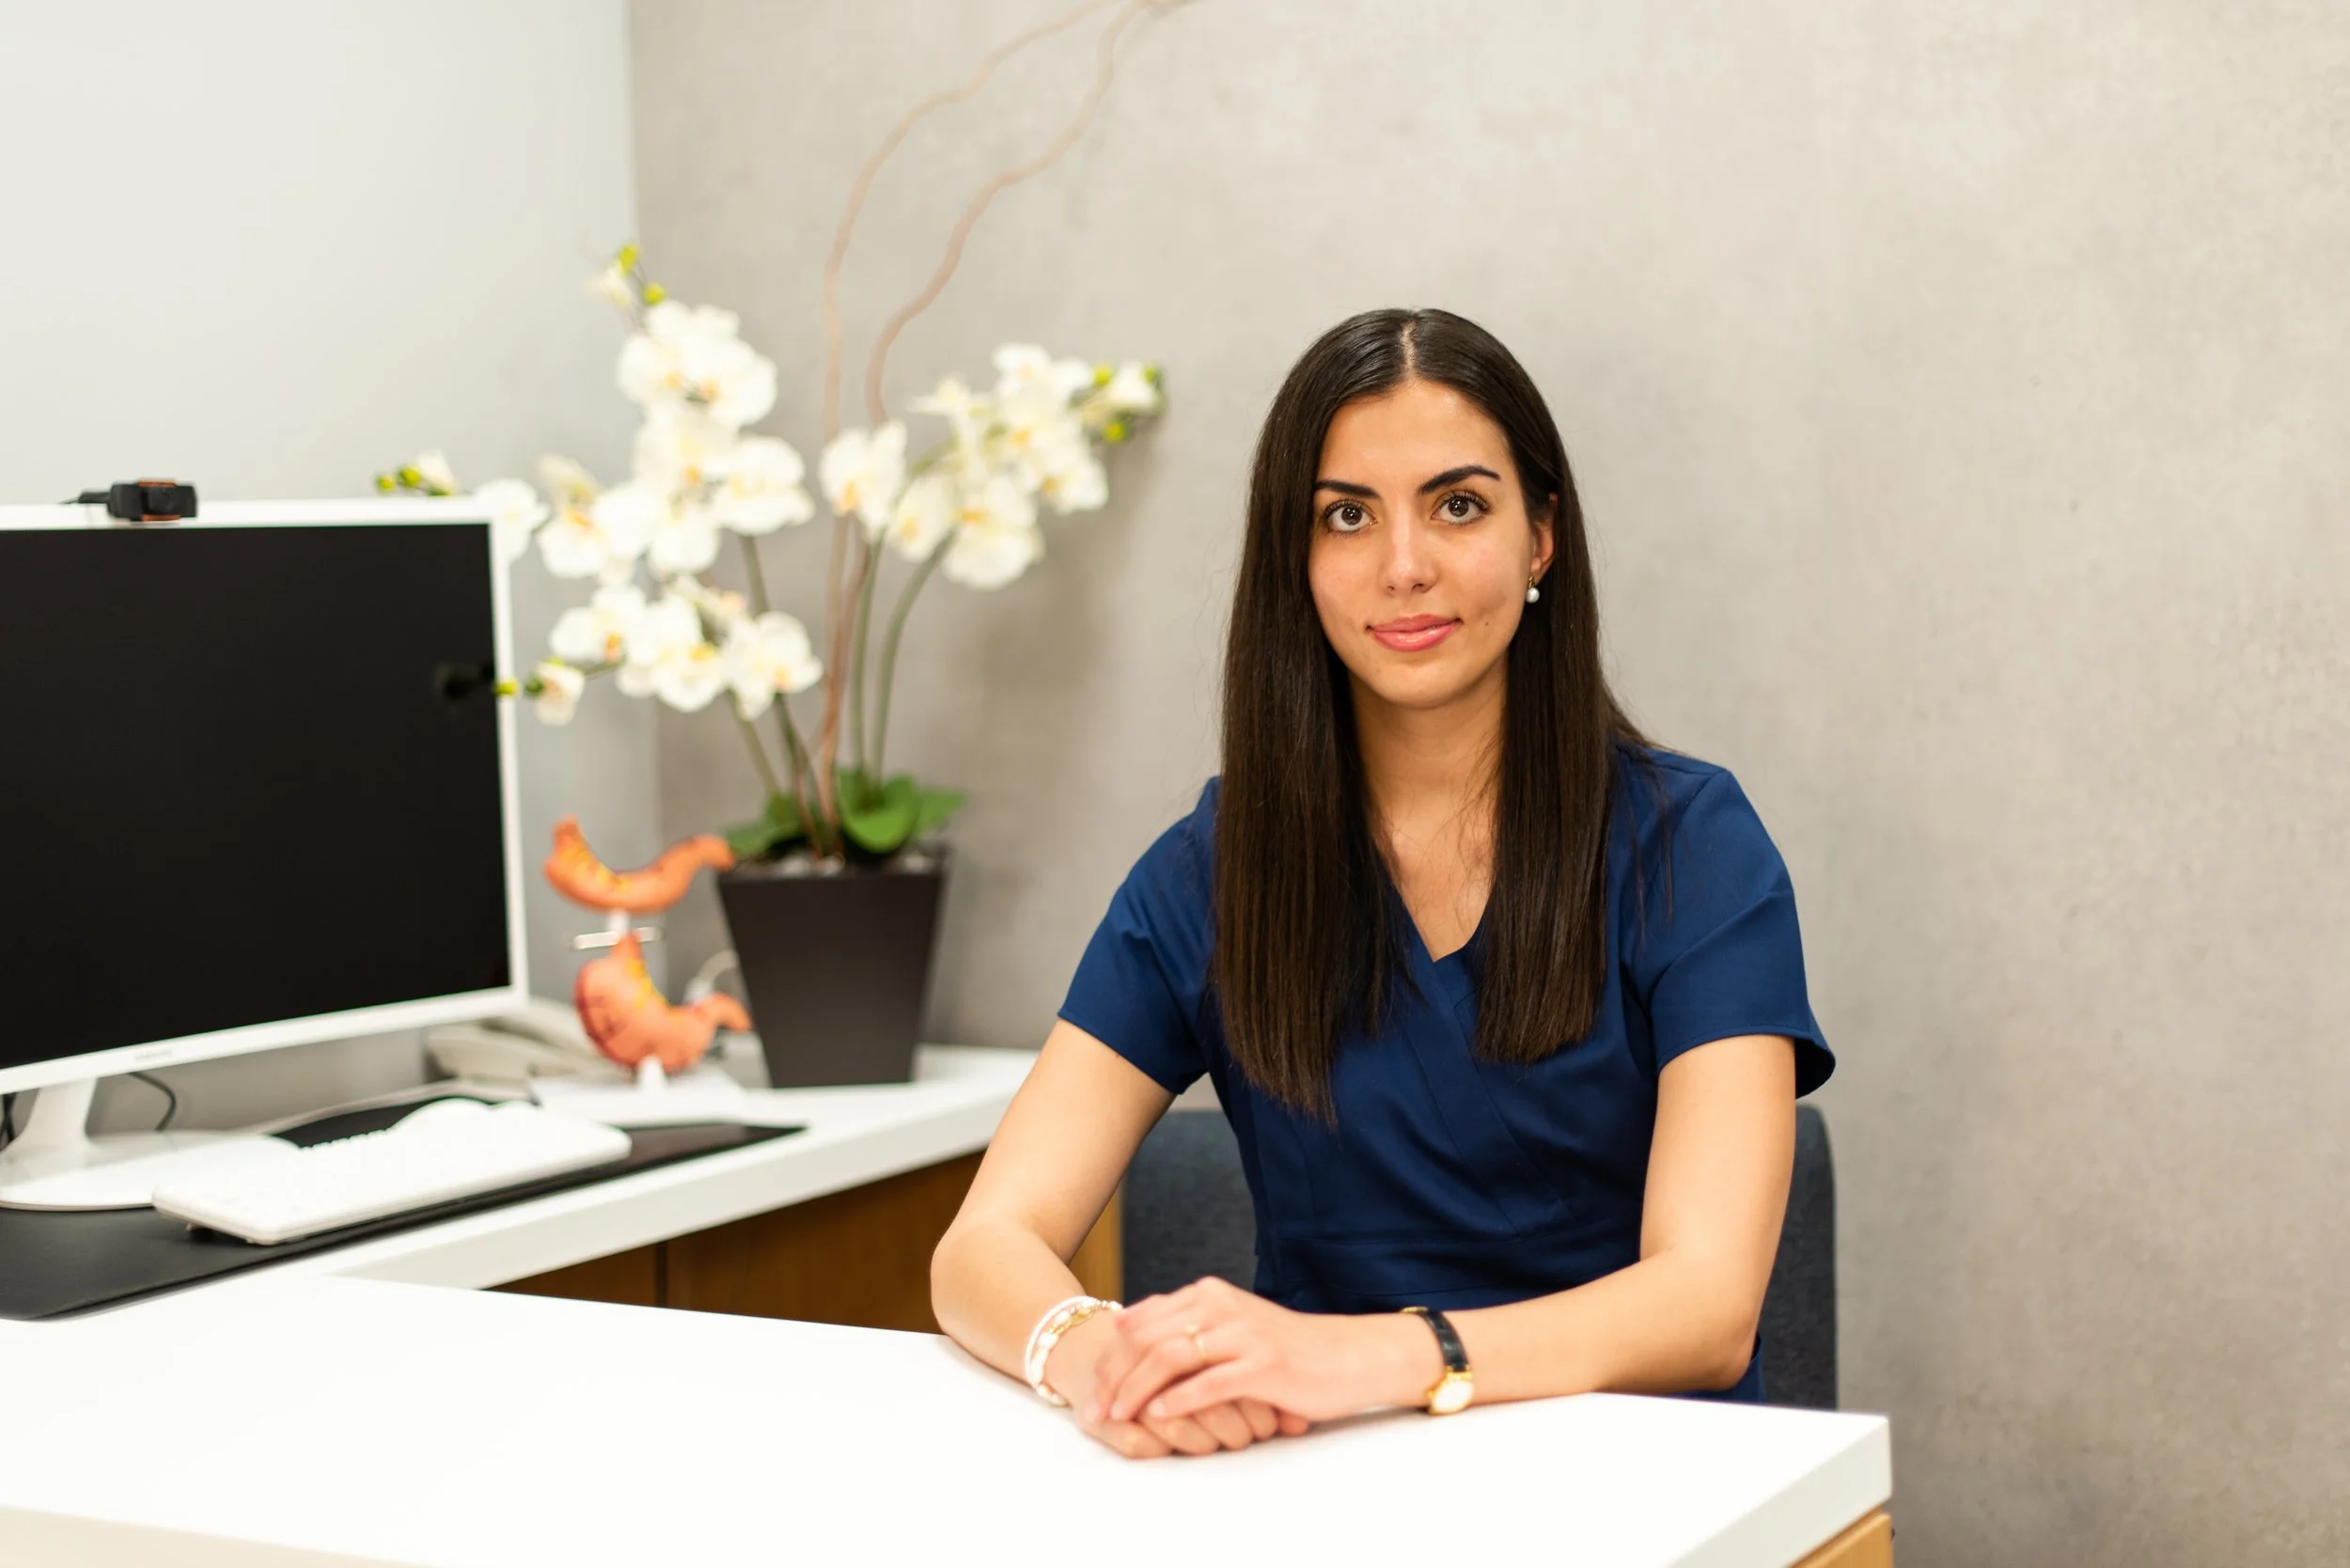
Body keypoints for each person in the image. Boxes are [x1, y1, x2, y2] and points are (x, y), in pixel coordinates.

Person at [931, 307, 1832, 1459]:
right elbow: (981, 1246)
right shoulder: (1208, 875)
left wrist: (1368, 1357)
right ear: (1294, 560)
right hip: (1322, 1486)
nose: (1404, 567)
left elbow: (1708, 1310)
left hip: (1645, 1487)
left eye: (1458, 505)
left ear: (1541, 536)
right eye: (1345, 517)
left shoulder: (1693, 846)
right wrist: (1092, 1350)